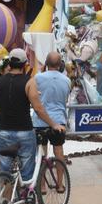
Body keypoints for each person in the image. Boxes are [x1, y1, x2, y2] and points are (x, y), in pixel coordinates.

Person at [0, 48, 66, 204]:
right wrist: (54, 124)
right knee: (26, 171)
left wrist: (7, 116)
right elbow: (39, 108)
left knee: (6, 170)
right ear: (25, 64)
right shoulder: (29, 82)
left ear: (9, 63)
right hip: (24, 131)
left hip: (4, 131)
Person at [32, 51, 71, 184]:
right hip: (58, 120)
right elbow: (65, 99)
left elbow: (34, 94)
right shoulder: (66, 80)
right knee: (58, 151)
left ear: (46, 63)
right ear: (61, 64)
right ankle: (60, 183)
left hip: (40, 121)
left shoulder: (38, 78)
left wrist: (41, 71)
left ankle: (42, 186)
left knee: (41, 153)